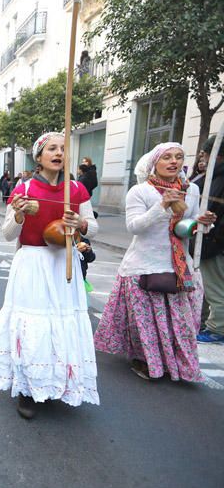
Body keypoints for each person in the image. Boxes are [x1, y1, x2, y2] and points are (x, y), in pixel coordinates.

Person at [0, 132, 99, 419]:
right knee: (33, 324)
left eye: (63, 148)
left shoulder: (76, 189)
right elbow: (9, 234)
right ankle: (27, 388)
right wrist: (20, 216)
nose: (59, 153)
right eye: (52, 149)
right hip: (32, 264)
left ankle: (57, 381)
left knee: (60, 324)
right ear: (39, 156)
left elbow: (93, 229)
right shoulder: (23, 188)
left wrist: (80, 222)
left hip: (63, 262)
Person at [95, 142, 215, 380]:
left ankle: (175, 363)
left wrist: (204, 222)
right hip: (144, 266)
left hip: (180, 267)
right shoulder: (140, 191)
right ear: (154, 163)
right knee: (146, 325)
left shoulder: (190, 190)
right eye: (167, 157)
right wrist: (162, 206)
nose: (173, 162)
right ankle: (145, 360)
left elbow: (188, 226)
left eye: (178, 157)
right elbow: (134, 226)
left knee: (179, 325)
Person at [192, 136, 224, 344]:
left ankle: (216, 328)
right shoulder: (212, 177)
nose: (202, 158)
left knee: (214, 287)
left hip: (214, 241)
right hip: (215, 240)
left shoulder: (218, 179)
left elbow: (209, 209)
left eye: (204, 154)